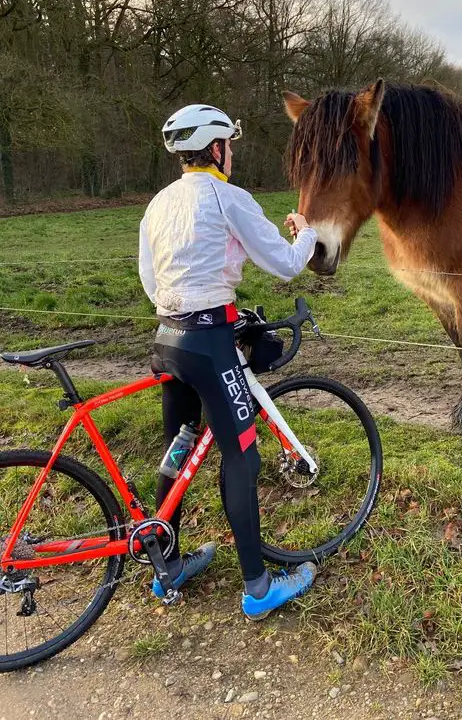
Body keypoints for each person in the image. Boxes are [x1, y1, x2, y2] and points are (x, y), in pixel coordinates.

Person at [138, 103, 319, 619]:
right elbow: (285, 264)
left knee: (180, 445)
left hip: (167, 338)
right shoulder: (226, 197)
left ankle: (167, 564)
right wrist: (303, 229)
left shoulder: (158, 204)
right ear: (216, 149)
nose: (232, 154)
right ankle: (259, 589)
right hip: (209, 344)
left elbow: (152, 281)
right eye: (229, 146)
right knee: (242, 457)